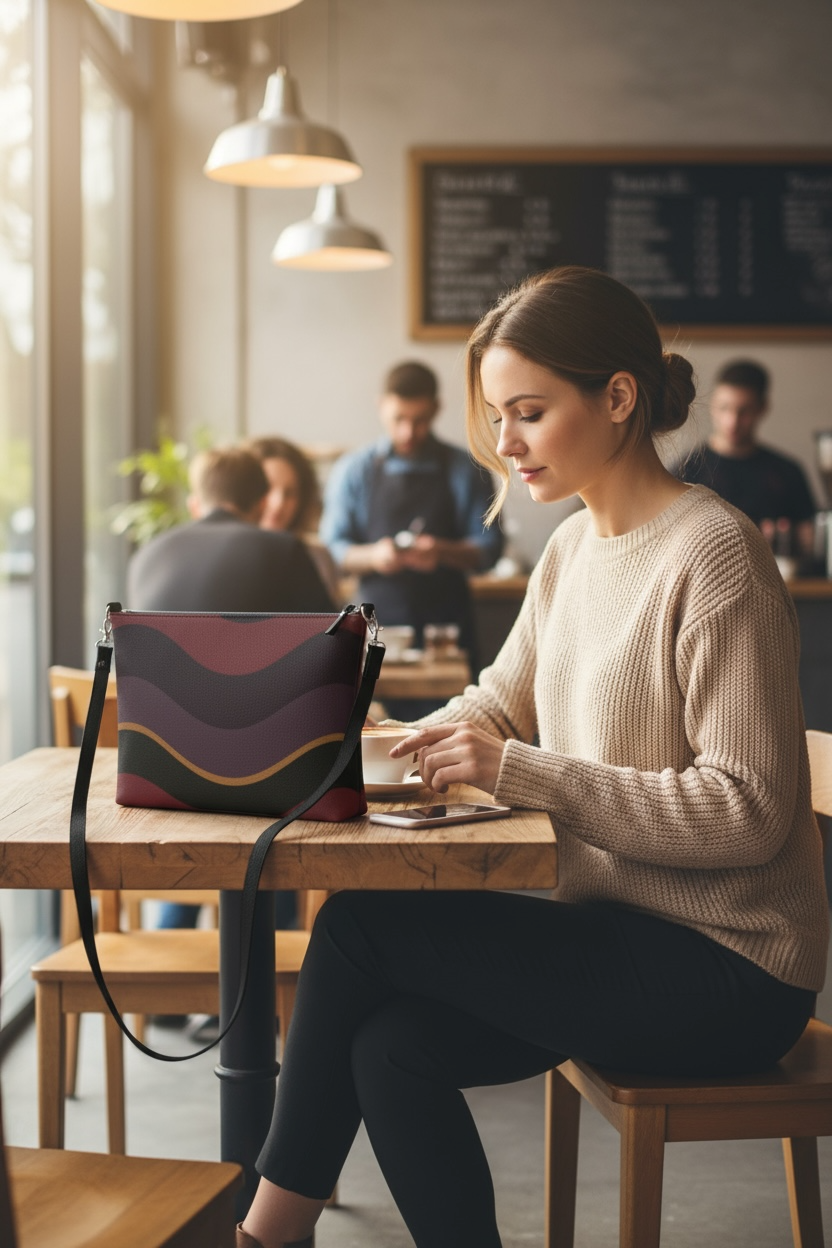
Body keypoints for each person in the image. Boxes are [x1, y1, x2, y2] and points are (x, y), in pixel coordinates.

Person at [236, 268, 828, 1248]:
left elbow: (748, 811)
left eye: (529, 412)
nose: (504, 443)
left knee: (353, 929)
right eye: (497, 415)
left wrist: (517, 770)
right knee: (390, 1048)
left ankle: (263, 1235)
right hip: (617, 935)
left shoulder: (714, 556)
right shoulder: (570, 550)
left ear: (618, 398)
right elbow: (496, 704)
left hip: (732, 968)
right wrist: (349, 745)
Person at [127, 445, 333, 943]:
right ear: (262, 502)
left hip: (160, 767)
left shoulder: (146, 555)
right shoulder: (282, 550)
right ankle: (281, 952)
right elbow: (333, 649)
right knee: (290, 796)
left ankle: (171, 949)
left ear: (196, 501)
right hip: (261, 771)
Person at [319, 360, 503, 704]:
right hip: (375, 631)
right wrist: (374, 556)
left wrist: (441, 552)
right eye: (399, 419)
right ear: (381, 407)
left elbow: (489, 548)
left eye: (419, 421)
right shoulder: (355, 470)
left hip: (446, 635)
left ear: (435, 409)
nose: (408, 432)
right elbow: (332, 549)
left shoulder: (466, 469)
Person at [674, 359, 816, 558]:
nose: (732, 421)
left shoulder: (787, 472)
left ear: (762, 408)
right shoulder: (685, 469)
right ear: (712, 404)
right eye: (724, 408)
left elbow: (810, 542)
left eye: (744, 411)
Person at [244, 435, 340, 604]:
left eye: (290, 493)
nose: (278, 503)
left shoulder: (317, 559)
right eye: (267, 488)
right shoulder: (229, 558)